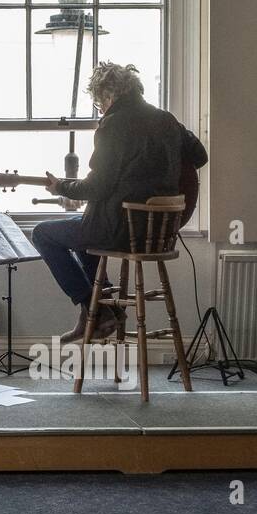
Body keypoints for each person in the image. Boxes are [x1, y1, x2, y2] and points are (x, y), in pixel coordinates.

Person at [31, 61, 208, 344]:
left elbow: (95, 187)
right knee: (85, 234)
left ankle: (95, 309)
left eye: (100, 103)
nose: (101, 110)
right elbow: (200, 157)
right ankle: (106, 309)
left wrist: (60, 186)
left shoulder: (112, 125)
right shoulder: (166, 119)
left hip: (120, 230)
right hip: (158, 233)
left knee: (43, 233)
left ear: (108, 96)